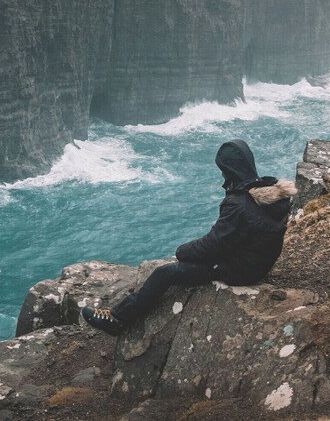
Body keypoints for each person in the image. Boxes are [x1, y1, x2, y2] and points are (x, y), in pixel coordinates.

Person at [82, 139, 295, 336]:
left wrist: (183, 251)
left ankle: (117, 318)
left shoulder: (239, 204)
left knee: (165, 273)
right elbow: (235, 238)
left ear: (230, 170)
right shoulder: (267, 194)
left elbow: (214, 245)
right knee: (182, 265)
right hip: (257, 265)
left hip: (240, 272)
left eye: (223, 172)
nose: (222, 178)